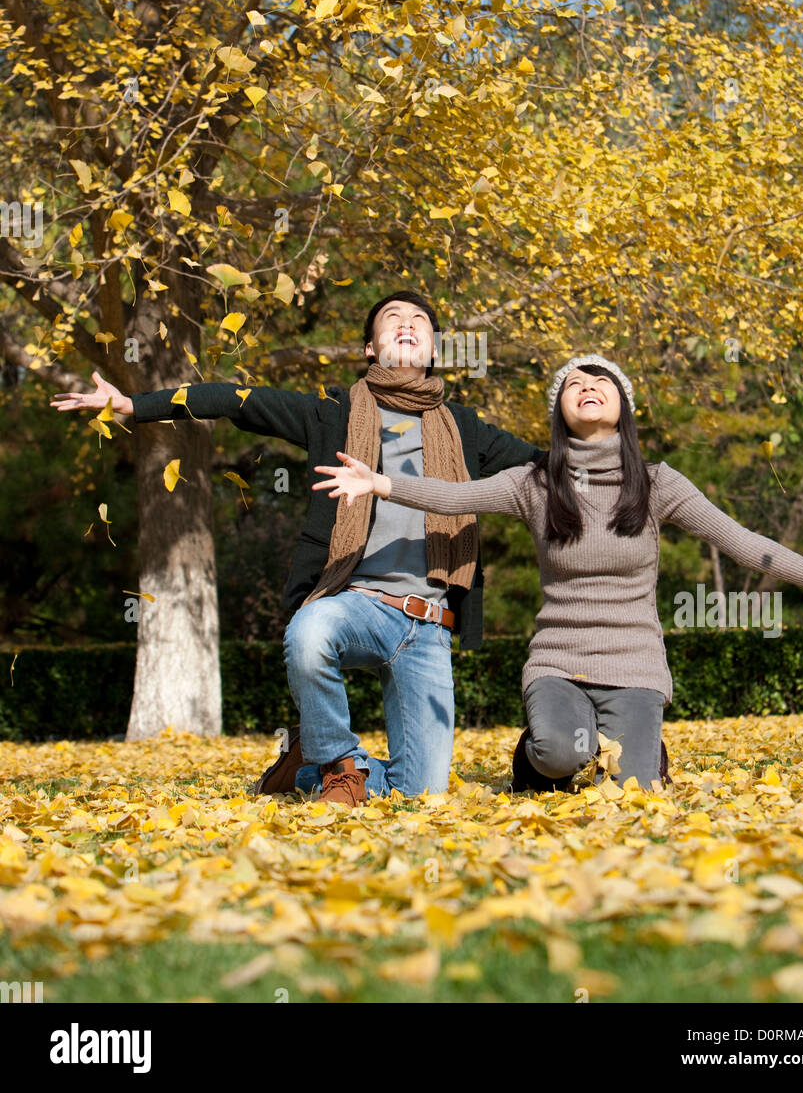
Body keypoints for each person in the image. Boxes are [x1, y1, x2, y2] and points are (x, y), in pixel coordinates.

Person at [50, 291, 544, 806]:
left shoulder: (465, 429)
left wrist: (618, 458)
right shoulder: (330, 412)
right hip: (356, 604)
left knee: (421, 793)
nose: (407, 325)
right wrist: (135, 406)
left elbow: (544, 465)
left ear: (434, 348)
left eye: (420, 320)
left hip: (429, 623)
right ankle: (338, 762)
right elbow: (235, 400)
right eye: (392, 319)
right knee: (309, 634)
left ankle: (309, 770)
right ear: (370, 349)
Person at [313, 353, 803, 792]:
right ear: (560, 412)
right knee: (559, 755)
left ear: (623, 405)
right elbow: (457, 495)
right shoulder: (535, 483)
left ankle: (640, 747)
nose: (588, 384)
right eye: (574, 382)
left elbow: (740, 540)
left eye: (602, 379)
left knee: (635, 789)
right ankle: (537, 759)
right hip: (560, 659)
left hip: (635, 662)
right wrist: (382, 483)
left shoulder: (658, 484)